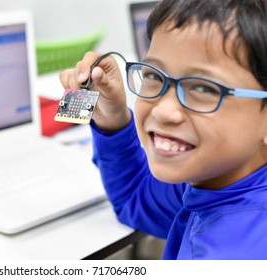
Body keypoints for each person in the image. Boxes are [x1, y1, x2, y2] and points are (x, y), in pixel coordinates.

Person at [60, 0, 267, 259]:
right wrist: (112, 117)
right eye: (155, 76)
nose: (163, 111)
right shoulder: (221, 176)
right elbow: (135, 200)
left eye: (203, 88)